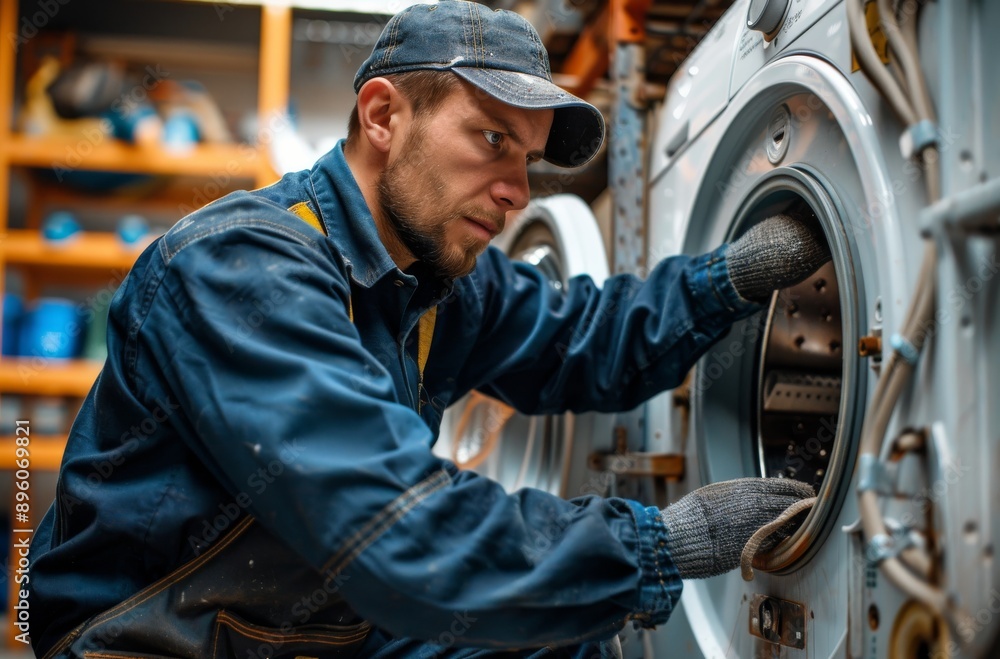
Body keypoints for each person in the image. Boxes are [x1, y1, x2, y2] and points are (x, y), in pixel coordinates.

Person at [28, 1, 827, 657]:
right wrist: (659, 544)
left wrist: (731, 279)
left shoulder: (431, 274)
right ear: (383, 116)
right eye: (492, 141)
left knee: (569, 639)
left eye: (529, 160)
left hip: (311, 628)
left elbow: (580, 337)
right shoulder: (243, 267)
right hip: (158, 642)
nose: (516, 190)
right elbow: (396, 531)